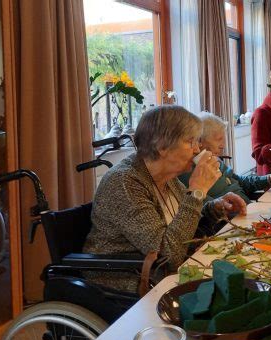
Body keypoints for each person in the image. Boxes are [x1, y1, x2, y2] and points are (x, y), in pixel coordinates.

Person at [83, 105, 247, 292]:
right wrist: (197, 191)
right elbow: (168, 255)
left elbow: (183, 222)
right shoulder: (124, 182)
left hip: (169, 271)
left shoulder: (166, 177)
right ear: (162, 146)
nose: (197, 149)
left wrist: (215, 207)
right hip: (130, 279)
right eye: (190, 142)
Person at [179, 112, 271, 204]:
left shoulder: (215, 159)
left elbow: (240, 182)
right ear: (200, 140)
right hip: (233, 216)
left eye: (223, 139)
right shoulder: (190, 172)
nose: (223, 146)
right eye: (218, 139)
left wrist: (269, 178)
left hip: (248, 209)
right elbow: (205, 208)